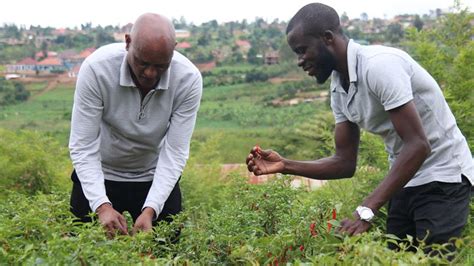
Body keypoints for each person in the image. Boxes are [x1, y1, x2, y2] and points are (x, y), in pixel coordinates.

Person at [246, 3, 473, 255]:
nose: (300, 61)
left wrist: (367, 209)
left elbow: (418, 145)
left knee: (434, 259)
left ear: (328, 38)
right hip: (406, 178)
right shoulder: (338, 88)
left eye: (302, 50)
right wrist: (285, 165)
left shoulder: (379, 66)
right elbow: (344, 162)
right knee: (396, 259)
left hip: (445, 176)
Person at [69, 13, 202, 237]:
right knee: (82, 249)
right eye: (142, 63)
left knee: (167, 250)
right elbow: (83, 145)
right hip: (101, 172)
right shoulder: (96, 69)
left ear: (174, 49)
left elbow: (175, 152)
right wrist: (102, 206)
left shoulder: (188, 79)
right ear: (128, 42)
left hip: (154, 175)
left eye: (161, 66)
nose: (150, 73)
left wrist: (151, 209)